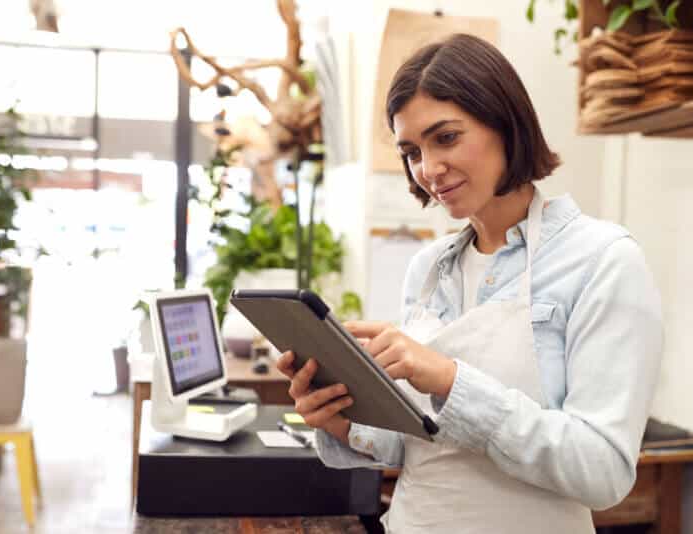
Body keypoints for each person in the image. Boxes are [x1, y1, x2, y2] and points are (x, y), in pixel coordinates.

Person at [276, 34, 663, 533]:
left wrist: (451, 380)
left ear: (505, 122)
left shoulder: (603, 261)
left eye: (447, 138)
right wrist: (341, 420)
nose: (429, 170)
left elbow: (603, 473)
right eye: (412, 151)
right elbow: (420, 442)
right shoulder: (428, 269)